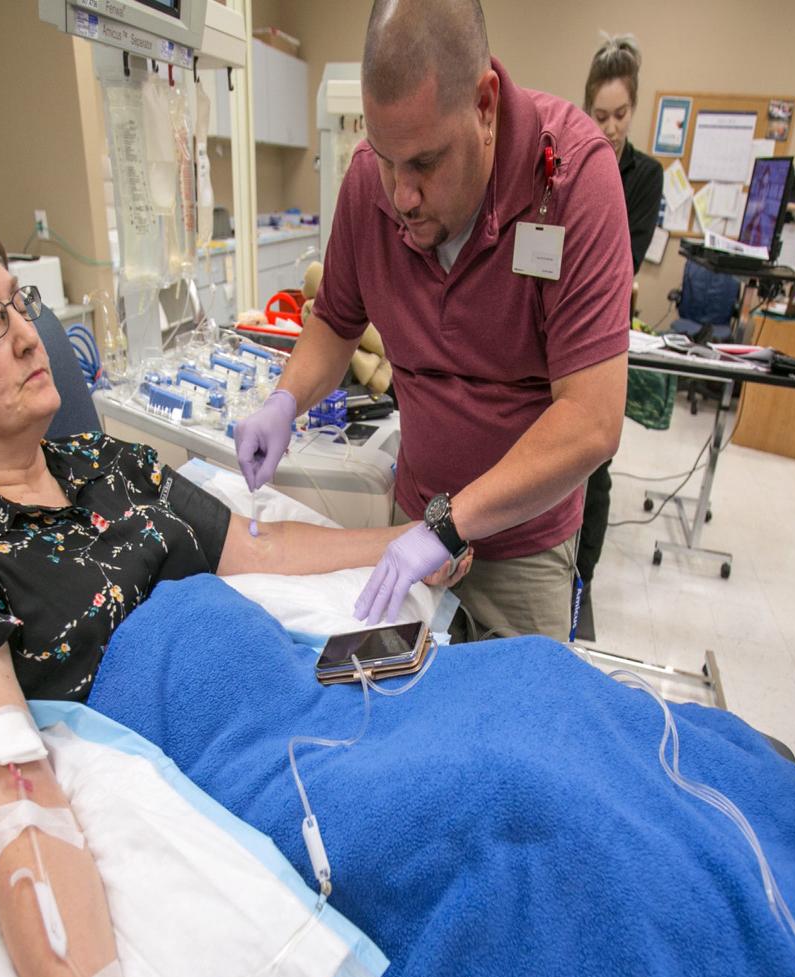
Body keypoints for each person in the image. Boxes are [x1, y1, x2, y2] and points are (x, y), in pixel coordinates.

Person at [0, 216, 469, 977]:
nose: (26, 336)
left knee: (522, 694)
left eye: (20, 305)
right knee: (493, 793)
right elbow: (10, 782)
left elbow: (263, 549)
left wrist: (429, 537)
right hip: (214, 764)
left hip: (282, 690)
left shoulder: (112, 465)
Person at [234, 0, 633, 644]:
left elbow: (590, 419)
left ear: (484, 104)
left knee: (511, 723)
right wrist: (285, 399)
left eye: (424, 162)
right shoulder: (370, 184)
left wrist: (450, 524)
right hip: (410, 523)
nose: (402, 195)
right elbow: (336, 322)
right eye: (385, 158)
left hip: (522, 546)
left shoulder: (574, 181)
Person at [577, 31, 664, 611]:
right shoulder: (566, 162)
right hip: (559, 324)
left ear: (634, 109)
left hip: (604, 331)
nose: (609, 127)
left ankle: (581, 585)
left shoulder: (645, 176)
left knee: (595, 465)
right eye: (600, 115)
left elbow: (621, 261)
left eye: (620, 114)